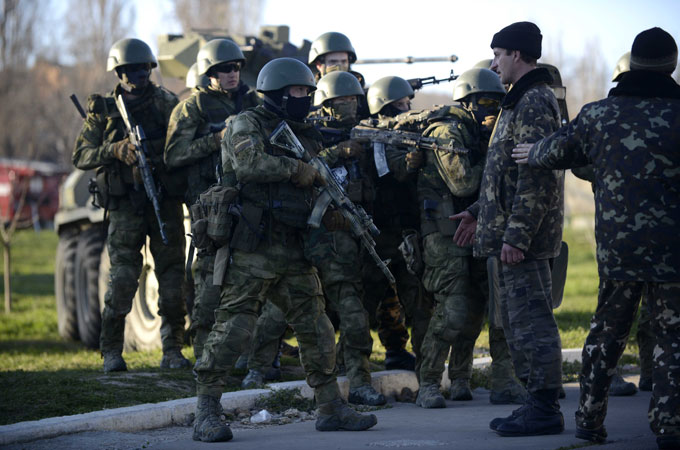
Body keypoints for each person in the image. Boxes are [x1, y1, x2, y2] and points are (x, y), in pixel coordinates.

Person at [192, 57, 377, 442]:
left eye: (309, 91)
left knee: (317, 328)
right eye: (298, 91)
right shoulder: (247, 123)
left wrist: (333, 215)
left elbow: (314, 184)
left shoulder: (305, 133)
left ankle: (330, 406)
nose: (306, 97)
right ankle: (206, 410)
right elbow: (249, 165)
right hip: (253, 247)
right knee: (233, 328)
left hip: (295, 249)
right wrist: (296, 170)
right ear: (277, 93)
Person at [512, 27, 680, 449]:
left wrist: (532, 152)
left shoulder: (599, 115)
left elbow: (556, 152)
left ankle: (588, 421)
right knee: (672, 337)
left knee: (606, 333)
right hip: (673, 252)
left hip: (618, 250)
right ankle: (669, 426)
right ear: (672, 66)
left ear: (632, 64)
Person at [242, 71, 385, 406]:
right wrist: (339, 152)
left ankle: (359, 380)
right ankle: (257, 367)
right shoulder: (303, 131)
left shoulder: (361, 133)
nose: (348, 105)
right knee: (279, 309)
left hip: (337, 239)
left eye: (353, 99)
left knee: (352, 310)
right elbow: (299, 165)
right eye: (341, 100)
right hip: (298, 233)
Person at [452, 22, 565, 437]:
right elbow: (505, 177)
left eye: (498, 54)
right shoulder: (517, 100)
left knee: (532, 323)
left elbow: (538, 178)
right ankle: (535, 402)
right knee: (517, 325)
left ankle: (544, 407)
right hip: (510, 235)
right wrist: (477, 212)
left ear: (517, 54)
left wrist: (516, 236)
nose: (493, 63)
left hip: (523, 242)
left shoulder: (533, 101)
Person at [73, 38, 189, 372]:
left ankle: (172, 350)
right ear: (119, 72)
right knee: (123, 281)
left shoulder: (167, 103)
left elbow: (181, 149)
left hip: (163, 201)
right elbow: (81, 155)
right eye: (130, 70)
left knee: (172, 281)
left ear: (150, 69)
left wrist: (156, 160)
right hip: (125, 208)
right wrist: (115, 150)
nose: (137, 75)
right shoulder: (103, 110)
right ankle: (111, 351)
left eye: (142, 69)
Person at [414, 67, 527, 408]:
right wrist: (496, 159)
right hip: (443, 234)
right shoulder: (446, 131)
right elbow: (462, 183)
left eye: (497, 105)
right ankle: (428, 384)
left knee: (481, 307)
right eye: (486, 104)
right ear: (468, 102)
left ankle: (462, 378)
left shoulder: (480, 133)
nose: (492, 113)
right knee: (454, 309)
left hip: (477, 230)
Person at [164, 39, 259, 361]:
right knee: (208, 281)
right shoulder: (193, 107)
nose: (232, 73)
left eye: (236, 67)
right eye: (224, 69)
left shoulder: (252, 101)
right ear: (210, 73)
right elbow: (174, 154)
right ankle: (204, 355)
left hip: (250, 201)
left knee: (251, 277)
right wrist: (215, 140)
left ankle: (251, 353)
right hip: (210, 205)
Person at [365, 76, 434, 375]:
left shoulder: (411, 133)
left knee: (417, 300)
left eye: (408, 103)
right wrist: (408, 163)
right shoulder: (371, 136)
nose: (407, 109)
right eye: (401, 104)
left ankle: (425, 366)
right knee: (367, 301)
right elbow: (388, 171)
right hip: (377, 234)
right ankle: (353, 363)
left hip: (407, 231)